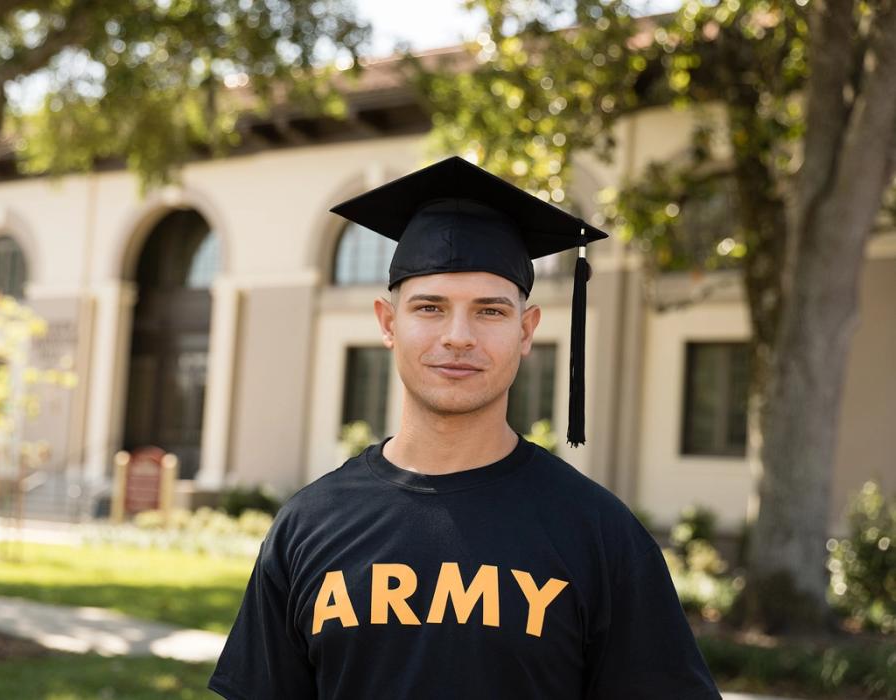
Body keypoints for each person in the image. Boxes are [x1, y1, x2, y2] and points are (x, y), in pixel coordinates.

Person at [207, 156, 723, 699]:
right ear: (388, 323)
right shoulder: (307, 528)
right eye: (430, 307)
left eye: (490, 312)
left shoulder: (599, 535)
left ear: (527, 330)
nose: (458, 336)